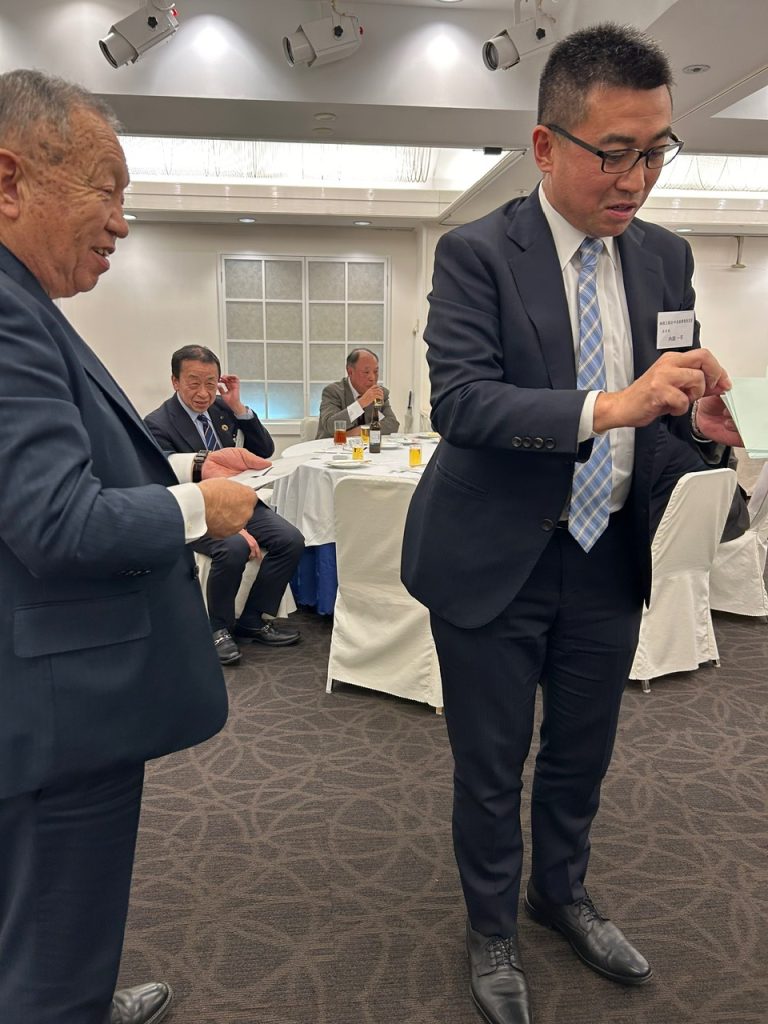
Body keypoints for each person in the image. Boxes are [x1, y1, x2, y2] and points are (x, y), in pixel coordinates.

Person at [401, 24, 743, 1024]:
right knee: (490, 763)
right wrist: (609, 406)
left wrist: (699, 427)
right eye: (615, 152)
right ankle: (491, 927)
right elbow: (462, 402)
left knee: (582, 754)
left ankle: (561, 894)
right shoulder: (477, 253)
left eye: (657, 151)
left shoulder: (667, 258)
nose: (637, 179)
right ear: (546, 146)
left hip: (606, 556)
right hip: (494, 559)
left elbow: (663, 411)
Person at [0, 69, 267, 1024]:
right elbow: (56, 519)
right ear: (10, 179)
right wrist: (201, 509)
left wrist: (185, 470)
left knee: (36, 920)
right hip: (61, 707)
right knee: (56, 935)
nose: (120, 222)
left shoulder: (27, 304)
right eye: (105, 190)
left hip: (44, 690)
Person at [145, 346, 305, 665]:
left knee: (291, 540)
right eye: (194, 383)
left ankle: (253, 620)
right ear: (175, 381)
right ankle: (217, 628)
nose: (203, 393)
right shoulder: (157, 423)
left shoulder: (222, 408)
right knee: (233, 547)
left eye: (211, 383)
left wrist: (239, 408)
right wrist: (238, 529)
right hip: (195, 508)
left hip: (237, 498)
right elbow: (161, 477)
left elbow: (264, 449)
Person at [315, 347, 399, 438]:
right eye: (366, 372)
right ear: (350, 372)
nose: (372, 377)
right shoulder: (333, 392)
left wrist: (359, 431)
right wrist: (361, 403)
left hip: (365, 446)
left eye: (375, 371)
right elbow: (331, 426)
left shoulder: (380, 393)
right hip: (331, 446)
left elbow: (392, 424)